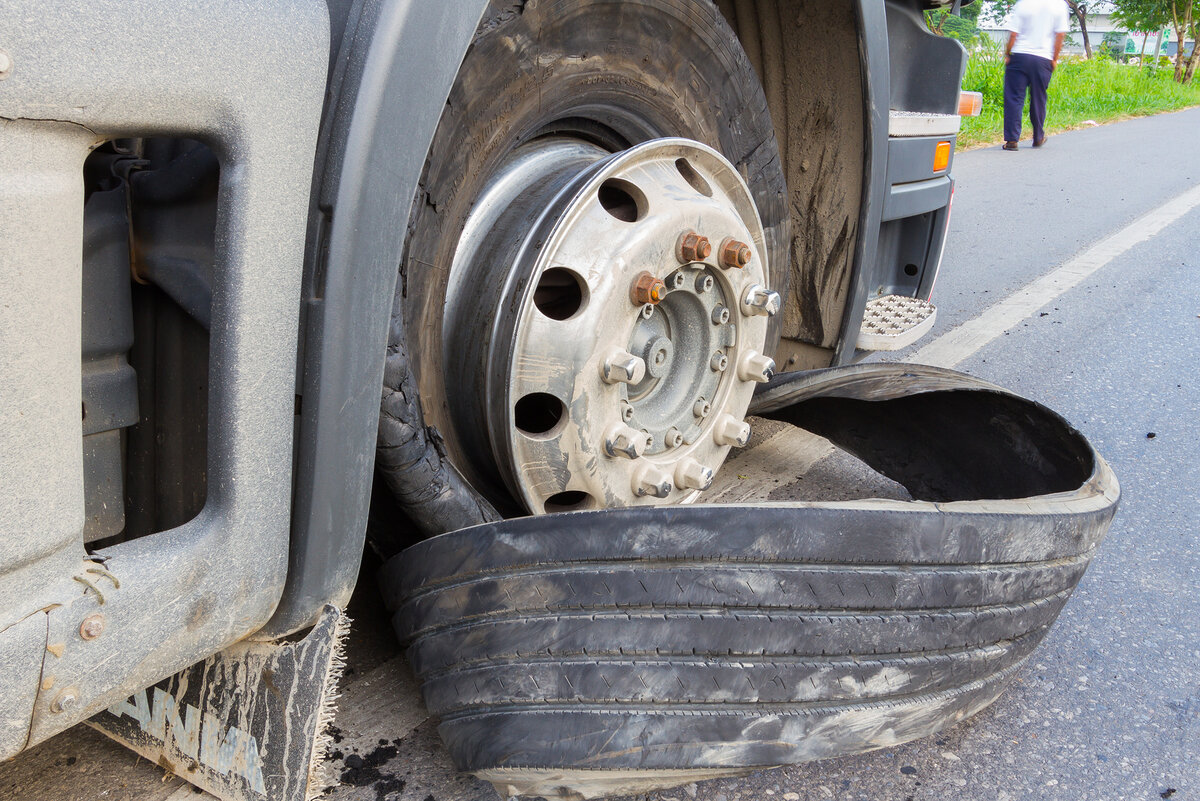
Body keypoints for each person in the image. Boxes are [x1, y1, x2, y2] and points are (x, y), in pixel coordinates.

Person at [1002, 0, 1070, 150]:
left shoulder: (1023, 3)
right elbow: (1060, 35)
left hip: (1019, 56)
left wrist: (1008, 53)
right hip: (1043, 58)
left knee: (1014, 98)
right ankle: (1038, 137)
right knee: (1038, 98)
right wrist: (1054, 59)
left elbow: (1014, 34)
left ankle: (1012, 141)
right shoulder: (1059, 5)